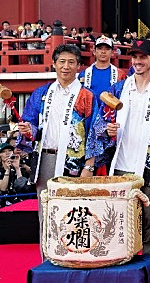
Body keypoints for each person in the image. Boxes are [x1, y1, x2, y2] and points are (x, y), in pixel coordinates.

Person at [88, 39, 150, 256]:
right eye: (135, 57)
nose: (138, 61)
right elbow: (99, 124)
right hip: (122, 164)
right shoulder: (118, 89)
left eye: (143, 57)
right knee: (121, 219)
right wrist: (107, 129)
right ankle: (124, 268)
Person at [17, 44, 98, 258]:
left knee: (74, 213)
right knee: (46, 213)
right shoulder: (42, 93)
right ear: (54, 64)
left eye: (71, 62)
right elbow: (31, 124)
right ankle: (47, 260)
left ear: (79, 67)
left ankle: (73, 259)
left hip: (74, 163)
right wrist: (27, 130)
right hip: (46, 159)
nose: (66, 66)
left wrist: (89, 166)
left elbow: (94, 134)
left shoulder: (87, 97)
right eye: (61, 61)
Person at [0, 142, 34, 208]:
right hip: (3, 205)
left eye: (9, 150)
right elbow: (3, 188)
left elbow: (22, 187)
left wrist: (17, 168)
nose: (7, 153)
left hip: (19, 204)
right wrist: (7, 170)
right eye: (3, 151)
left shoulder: (20, 168)